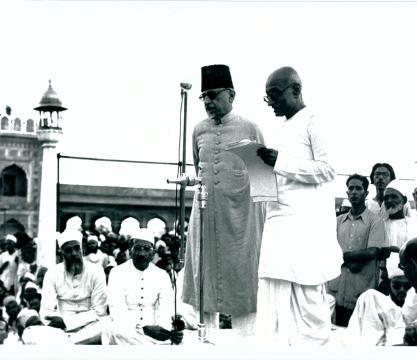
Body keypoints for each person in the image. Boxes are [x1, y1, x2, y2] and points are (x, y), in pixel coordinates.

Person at [255, 66, 343, 344]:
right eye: (267, 97)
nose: (271, 102)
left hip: (304, 225)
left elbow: (328, 169)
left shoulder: (314, 121)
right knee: (274, 290)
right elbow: (280, 172)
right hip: (277, 220)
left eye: (275, 95)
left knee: (307, 297)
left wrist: (279, 162)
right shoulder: (282, 128)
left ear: (295, 89)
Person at [182, 64, 266, 337]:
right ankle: (207, 342)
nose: (207, 101)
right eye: (203, 96)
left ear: (230, 95)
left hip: (241, 224)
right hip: (205, 218)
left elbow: (264, 184)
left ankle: (247, 345)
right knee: (204, 282)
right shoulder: (198, 130)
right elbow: (199, 171)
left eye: (213, 95)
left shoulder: (250, 129)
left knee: (243, 285)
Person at [102, 228, 183, 345]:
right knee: (113, 331)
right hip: (126, 328)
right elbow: (117, 310)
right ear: (130, 251)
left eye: (146, 249)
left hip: (156, 328)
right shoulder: (117, 273)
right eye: (137, 248)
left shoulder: (162, 275)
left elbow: (166, 308)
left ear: (153, 253)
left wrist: (164, 329)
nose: (141, 253)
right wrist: (143, 329)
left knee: (177, 337)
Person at [327, 174, 387, 327]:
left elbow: (373, 252)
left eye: (358, 188)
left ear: (366, 193)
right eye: (351, 188)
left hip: (361, 291)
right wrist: (354, 258)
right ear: (347, 193)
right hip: (336, 289)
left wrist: (342, 257)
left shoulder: (375, 221)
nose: (354, 192)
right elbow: (328, 250)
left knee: (359, 334)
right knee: (336, 332)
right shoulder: (338, 221)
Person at [40, 229, 108, 344]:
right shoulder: (52, 273)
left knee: (108, 325)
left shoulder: (96, 271)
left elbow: (99, 311)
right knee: (31, 332)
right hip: (60, 329)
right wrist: (61, 324)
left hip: (91, 327)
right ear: (62, 253)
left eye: (77, 248)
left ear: (82, 249)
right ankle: (75, 343)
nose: (74, 253)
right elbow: (46, 312)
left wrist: (66, 322)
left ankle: (69, 344)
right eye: (68, 250)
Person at [346, 240, 417, 345]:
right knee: (369, 296)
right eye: (397, 285)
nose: (405, 273)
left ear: (412, 265)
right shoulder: (413, 295)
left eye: (403, 267)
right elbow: (405, 319)